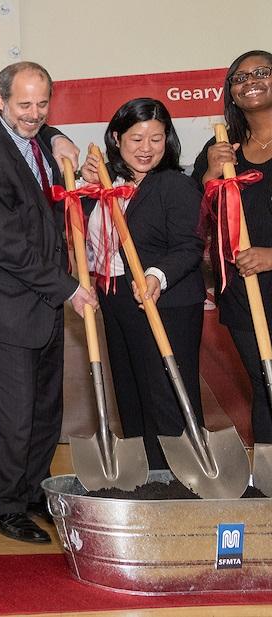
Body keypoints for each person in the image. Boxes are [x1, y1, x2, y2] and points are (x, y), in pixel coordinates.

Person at [0, 61, 97, 544]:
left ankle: (32, 490)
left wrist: (55, 134)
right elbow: (7, 246)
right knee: (12, 415)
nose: (34, 114)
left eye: (42, 105)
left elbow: (42, 135)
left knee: (44, 410)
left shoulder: (34, 136)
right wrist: (68, 287)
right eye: (24, 105)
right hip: (6, 307)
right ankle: (2, 504)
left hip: (39, 305)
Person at [80, 98, 204, 471]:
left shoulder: (174, 185)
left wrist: (156, 274)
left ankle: (182, 476)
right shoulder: (105, 186)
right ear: (116, 138)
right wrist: (86, 186)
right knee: (131, 392)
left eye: (156, 138)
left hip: (166, 302)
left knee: (165, 393)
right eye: (136, 139)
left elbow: (190, 244)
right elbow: (85, 237)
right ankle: (147, 475)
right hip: (118, 299)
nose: (147, 149)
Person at [193, 50, 272, 445]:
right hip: (244, 289)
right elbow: (193, 217)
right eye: (240, 78)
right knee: (264, 385)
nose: (250, 81)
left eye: (261, 72)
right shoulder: (222, 146)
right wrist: (209, 172)